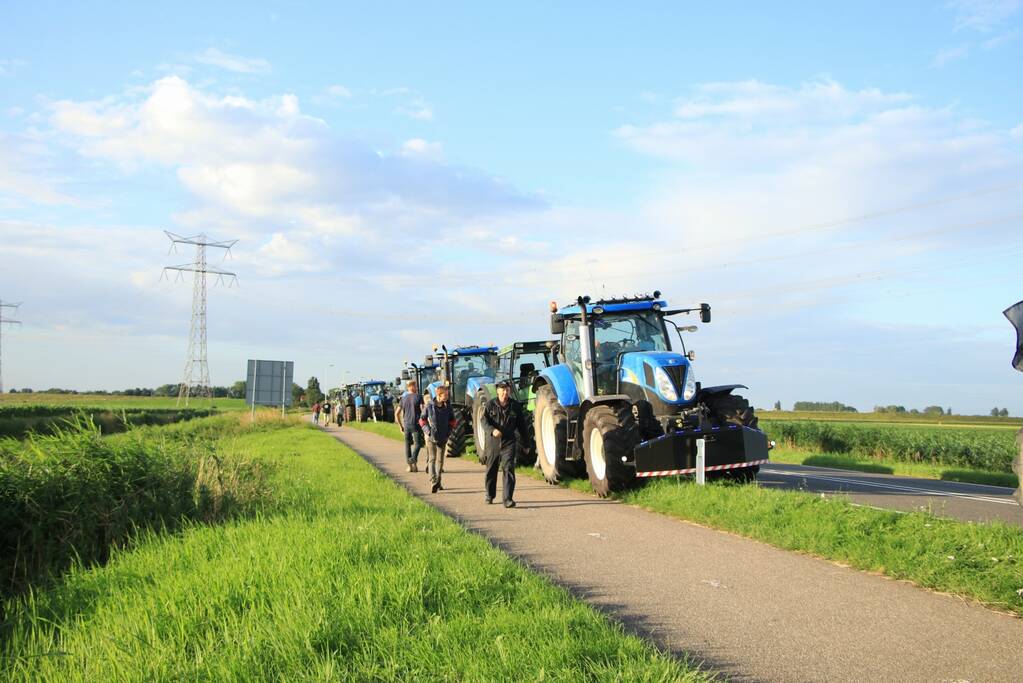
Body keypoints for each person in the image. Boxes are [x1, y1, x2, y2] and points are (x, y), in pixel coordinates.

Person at [482, 380, 527, 508]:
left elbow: (522, 426)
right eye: (502, 390)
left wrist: (526, 444)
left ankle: (507, 499)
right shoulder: (490, 405)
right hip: (493, 442)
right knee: (491, 469)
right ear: (497, 391)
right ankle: (489, 495)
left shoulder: (515, 406)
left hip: (509, 442)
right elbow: (484, 422)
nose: (505, 392)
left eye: (507, 390)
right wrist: (492, 431)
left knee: (508, 469)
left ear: (510, 391)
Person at [420, 384, 456, 493]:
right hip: (431, 437)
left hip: (443, 437)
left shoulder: (448, 407)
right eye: (445, 395)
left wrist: (448, 432)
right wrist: (428, 431)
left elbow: (453, 421)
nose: (447, 396)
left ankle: (438, 482)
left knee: (440, 461)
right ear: (439, 395)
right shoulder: (429, 406)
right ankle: (433, 481)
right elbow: (422, 421)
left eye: (447, 394)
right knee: (432, 459)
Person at [396, 381, 424, 472]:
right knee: (418, 444)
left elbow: (396, 413)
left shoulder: (403, 399)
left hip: (406, 424)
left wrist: (400, 426)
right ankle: (413, 459)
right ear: (414, 387)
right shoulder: (419, 397)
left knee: (407, 445)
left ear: (408, 388)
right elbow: (423, 410)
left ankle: (410, 466)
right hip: (416, 424)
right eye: (415, 385)